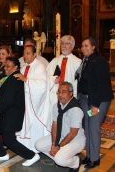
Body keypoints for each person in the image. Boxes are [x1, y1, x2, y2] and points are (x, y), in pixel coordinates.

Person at [0, 57, 40, 167]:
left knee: (9, 140)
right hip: (6, 113)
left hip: (10, 115)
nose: (5, 68)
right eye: (5, 66)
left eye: (8, 66)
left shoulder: (14, 79)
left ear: (15, 67)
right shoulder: (10, 77)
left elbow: (6, 101)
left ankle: (32, 156)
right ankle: (1, 154)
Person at [75, 37, 113, 168]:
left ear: (93, 47)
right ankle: (89, 156)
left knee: (93, 128)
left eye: (86, 46)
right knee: (87, 127)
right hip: (85, 98)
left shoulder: (100, 61)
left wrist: (95, 105)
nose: (83, 48)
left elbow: (102, 85)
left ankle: (95, 158)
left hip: (98, 100)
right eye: (82, 46)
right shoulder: (85, 60)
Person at [35, 82, 85, 172]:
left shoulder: (76, 110)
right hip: (61, 137)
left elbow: (73, 133)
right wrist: (54, 143)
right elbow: (54, 126)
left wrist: (59, 146)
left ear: (71, 93)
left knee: (60, 160)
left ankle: (76, 162)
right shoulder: (56, 106)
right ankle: (61, 156)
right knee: (39, 145)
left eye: (64, 92)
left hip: (75, 140)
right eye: (59, 92)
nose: (60, 95)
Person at [15, 45, 51, 153]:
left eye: (28, 53)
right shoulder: (23, 67)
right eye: (24, 53)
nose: (25, 56)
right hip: (24, 101)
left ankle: (33, 147)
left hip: (33, 102)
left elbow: (42, 85)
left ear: (34, 55)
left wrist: (26, 79)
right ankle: (22, 145)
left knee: (33, 123)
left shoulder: (39, 66)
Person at [46, 35, 81, 119]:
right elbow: (45, 76)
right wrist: (53, 79)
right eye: (62, 43)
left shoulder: (78, 62)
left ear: (72, 46)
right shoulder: (54, 61)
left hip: (71, 96)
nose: (64, 46)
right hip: (55, 96)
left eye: (67, 43)